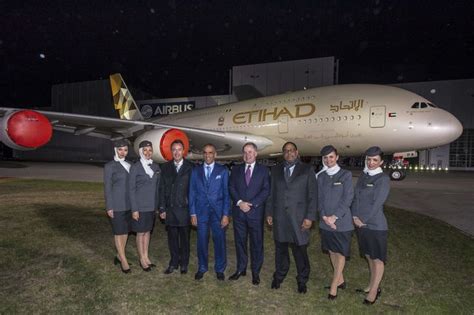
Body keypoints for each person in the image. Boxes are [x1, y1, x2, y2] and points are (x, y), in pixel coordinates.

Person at [265, 142, 317, 294]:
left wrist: (310, 217)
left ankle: (302, 279)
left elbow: (313, 196)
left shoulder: (307, 170)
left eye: (291, 150)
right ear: (283, 153)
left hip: (299, 219)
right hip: (280, 217)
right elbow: (271, 194)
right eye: (286, 151)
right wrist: (269, 212)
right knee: (280, 250)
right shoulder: (275, 170)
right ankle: (279, 275)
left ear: (297, 152)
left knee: (299, 250)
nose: (289, 153)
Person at [351, 146, 390, 305]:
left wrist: (363, 219)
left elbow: (378, 203)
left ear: (381, 161)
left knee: (377, 259)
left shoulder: (383, 179)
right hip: (360, 223)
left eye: (375, 160)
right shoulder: (364, 176)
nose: (371, 162)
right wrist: (354, 215)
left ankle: (374, 291)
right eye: (369, 159)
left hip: (375, 225)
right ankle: (373, 285)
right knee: (368, 255)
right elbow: (356, 197)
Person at [228, 142, 270, 285]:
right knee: (240, 242)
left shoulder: (264, 171)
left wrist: (252, 204)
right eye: (245, 152)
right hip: (239, 213)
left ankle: (256, 272)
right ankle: (241, 268)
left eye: (250, 152)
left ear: (256, 153)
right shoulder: (236, 169)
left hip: (255, 213)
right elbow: (231, 187)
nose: (247, 155)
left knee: (256, 243)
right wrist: (240, 202)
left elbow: (265, 190)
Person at [316, 145, 354, 300]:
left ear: (337, 157)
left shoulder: (345, 175)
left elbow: (348, 198)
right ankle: (341, 280)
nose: (328, 160)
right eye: (325, 158)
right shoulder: (321, 176)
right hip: (325, 221)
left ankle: (334, 286)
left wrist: (334, 217)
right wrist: (325, 216)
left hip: (342, 222)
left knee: (340, 253)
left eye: (331, 157)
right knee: (331, 251)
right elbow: (319, 199)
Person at [189, 143, 230, 281]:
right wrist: (193, 213)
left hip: (218, 213)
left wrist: (225, 214)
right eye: (205, 152)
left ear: (215, 154)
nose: (207, 155)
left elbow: (226, 194)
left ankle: (220, 268)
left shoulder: (223, 171)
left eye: (210, 152)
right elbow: (192, 193)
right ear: (203, 154)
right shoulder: (196, 171)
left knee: (219, 241)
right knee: (201, 241)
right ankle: (202, 267)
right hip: (201, 213)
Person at [159, 140, 194, 275]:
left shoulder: (190, 167)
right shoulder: (165, 167)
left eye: (179, 149)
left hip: (184, 209)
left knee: (185, 239)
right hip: (170, 209)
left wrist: (193, 211)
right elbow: (161, 189)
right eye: (174, 149)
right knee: (172, 239)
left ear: (183, 151)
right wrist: (162, 208)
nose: (177, 152)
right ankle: (173, 262)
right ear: (171, 151)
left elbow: (193, 190)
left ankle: (184, 263)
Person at [129, 140, 161, 272]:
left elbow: (158, 188)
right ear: (141, 152)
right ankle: (141, 258)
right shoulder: (136, 167)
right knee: (140, 233)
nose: (148, 152)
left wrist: (157, 206)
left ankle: (146, 256)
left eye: (150, 150)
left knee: (147, 232)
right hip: (140, 206)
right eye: (145, 150)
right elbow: (131, 189)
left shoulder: (156, 167)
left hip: (151, 206)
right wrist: (134, 209)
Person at [104, 139, 132, 273]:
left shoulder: (130, 164)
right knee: (118, 231)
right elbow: (107, 187)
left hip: (129, 204)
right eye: (120, 149)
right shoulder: (110, 166)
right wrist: (109, 206)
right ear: (115, 150)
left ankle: (119, 255)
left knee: (125, 231)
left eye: (125, 150)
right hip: (116, 204)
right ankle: (124, 260)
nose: (123, 152)